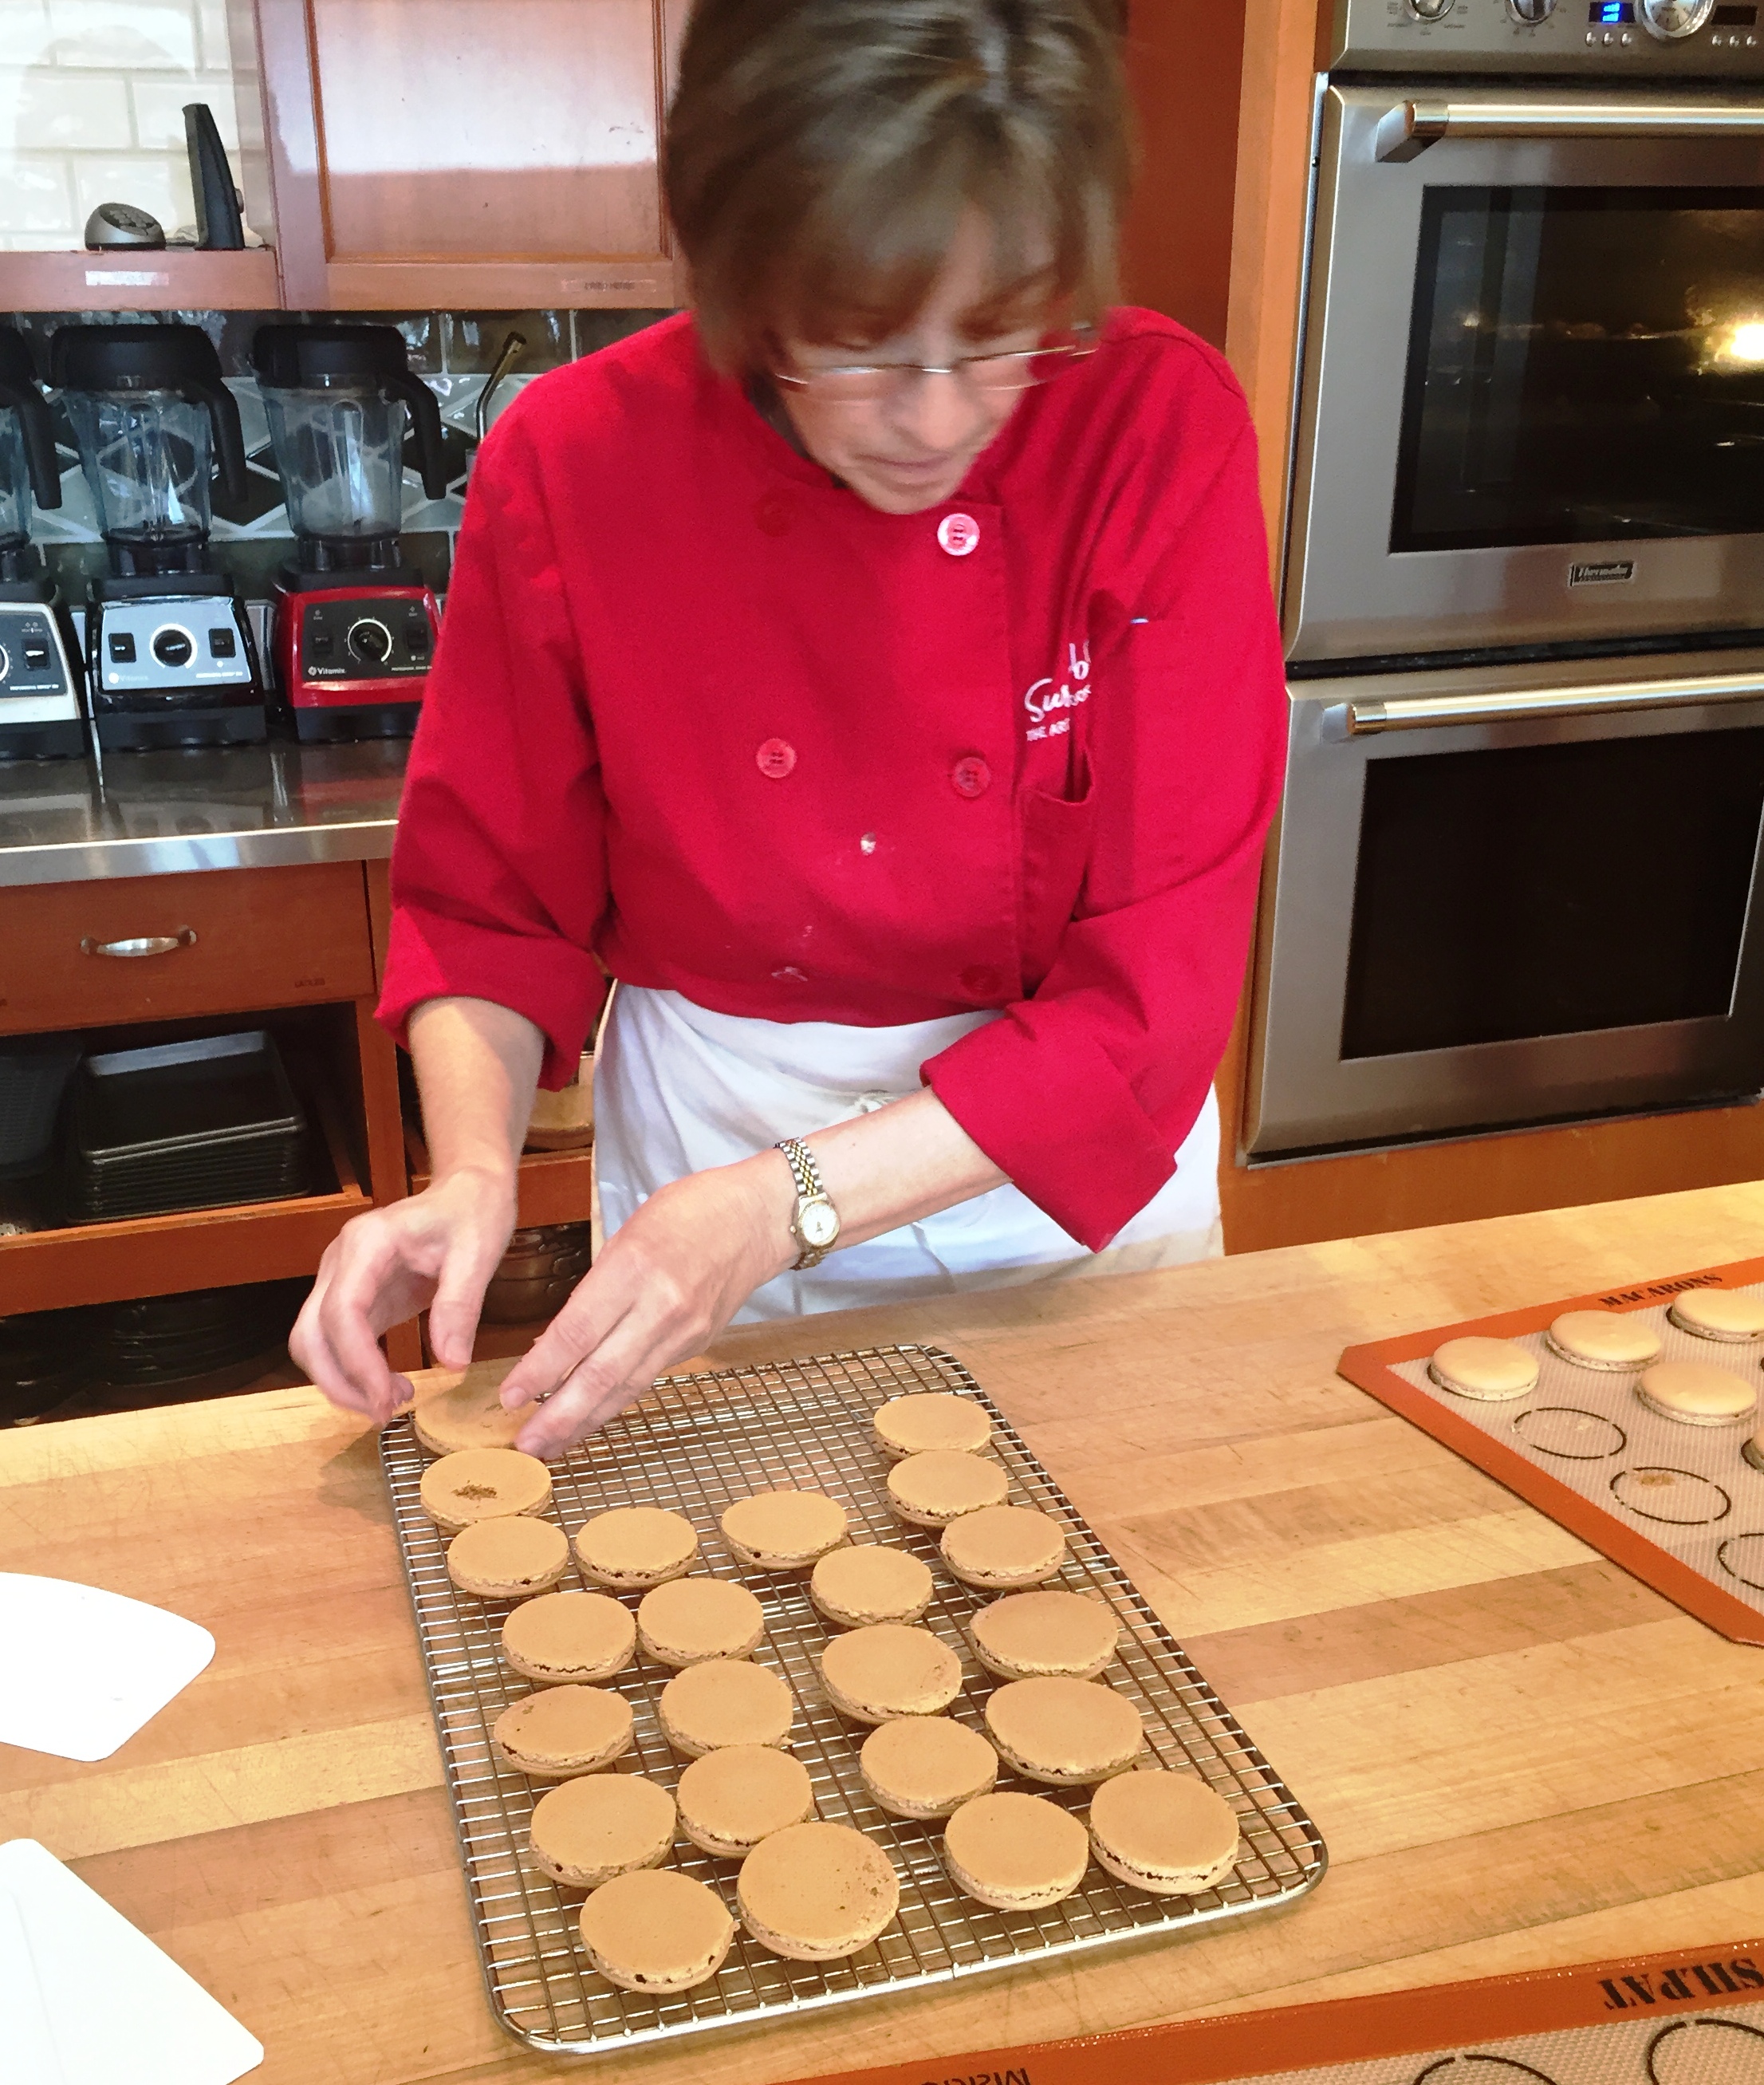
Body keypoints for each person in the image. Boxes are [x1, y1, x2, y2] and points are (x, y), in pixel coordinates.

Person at [289, 0, 1287, 1457]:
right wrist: (472, 1169)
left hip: (1052, 1198)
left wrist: (786, 1203)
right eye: (865, 346)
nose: (940, 417)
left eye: (1002, 337)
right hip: (707, 1156)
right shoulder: (574, 460)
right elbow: (493, 903)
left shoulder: (1153, 424)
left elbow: (1155, 994)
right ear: (740, 282)